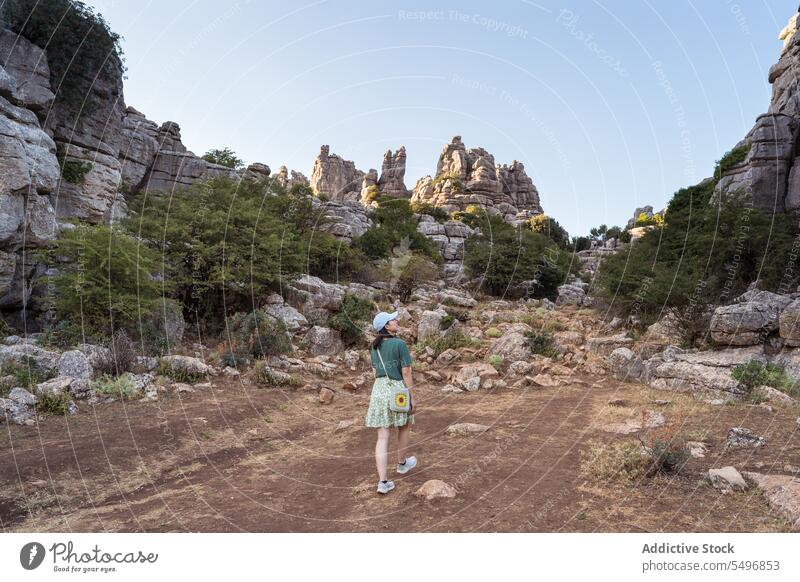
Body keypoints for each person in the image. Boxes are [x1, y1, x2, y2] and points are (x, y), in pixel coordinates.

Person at [364, 311, 418, 494]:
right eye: (393, 319)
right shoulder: (400, 344)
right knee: (404, 425)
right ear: (387, 326)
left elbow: (375, 371)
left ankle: (383, 482)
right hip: (397, 391)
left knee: (382, 437)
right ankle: (402, 464)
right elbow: (407, 373)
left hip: (379, 390)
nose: (397, 320)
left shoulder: (374, 346)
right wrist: (412, 396)